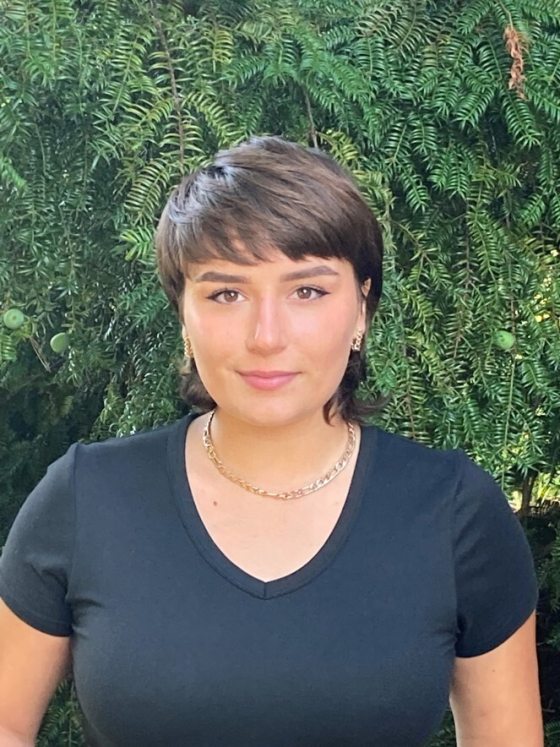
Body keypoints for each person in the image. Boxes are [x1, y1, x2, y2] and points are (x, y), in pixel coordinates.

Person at [0, 135, 542, 746]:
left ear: (362, 307)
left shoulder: (453, 511)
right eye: (226, 293)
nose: (266, 335)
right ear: (184, 312)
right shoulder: (86, 498)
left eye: (307, 290)